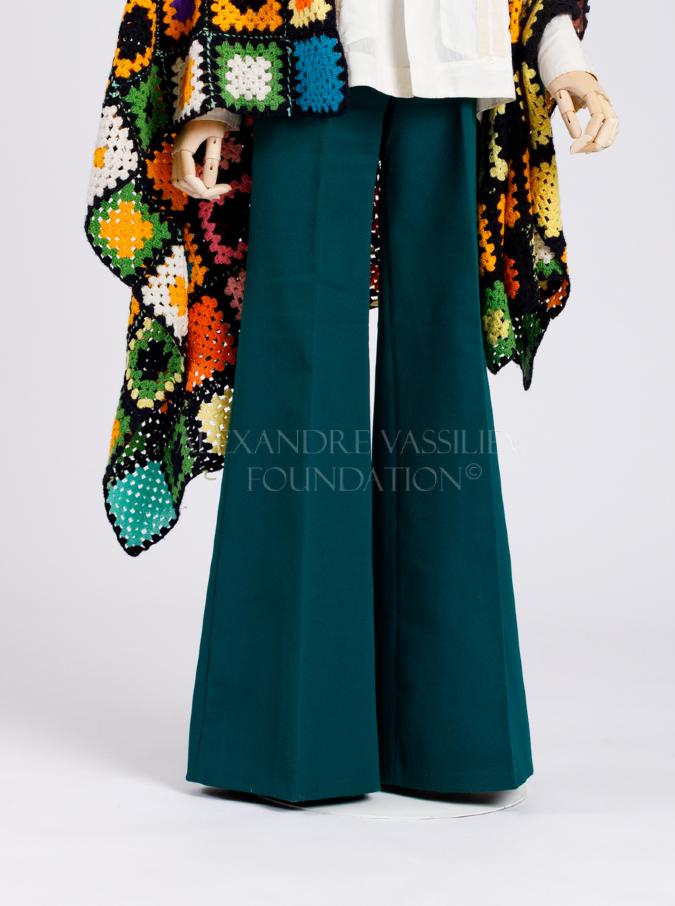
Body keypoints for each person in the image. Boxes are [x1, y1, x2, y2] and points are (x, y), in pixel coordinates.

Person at [86, 0, 618, 804]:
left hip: (456, 56)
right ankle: (284, 738)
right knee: (295, 371)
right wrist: (213, 94)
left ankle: (453, 739)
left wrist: (563, 59)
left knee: (444, 377)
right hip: (301, 54)